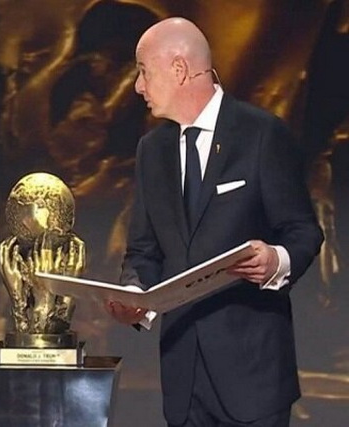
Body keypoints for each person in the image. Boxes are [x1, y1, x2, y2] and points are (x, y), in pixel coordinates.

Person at [105, 17, 324, 427]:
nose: (137, 86)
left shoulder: (261, 134)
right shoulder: (151, 151)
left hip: (253, 379)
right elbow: (143, 250)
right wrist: (135, 294)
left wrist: (276, 260)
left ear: (179, 69)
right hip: (184, 379)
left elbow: (302, 230)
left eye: (143, 71)